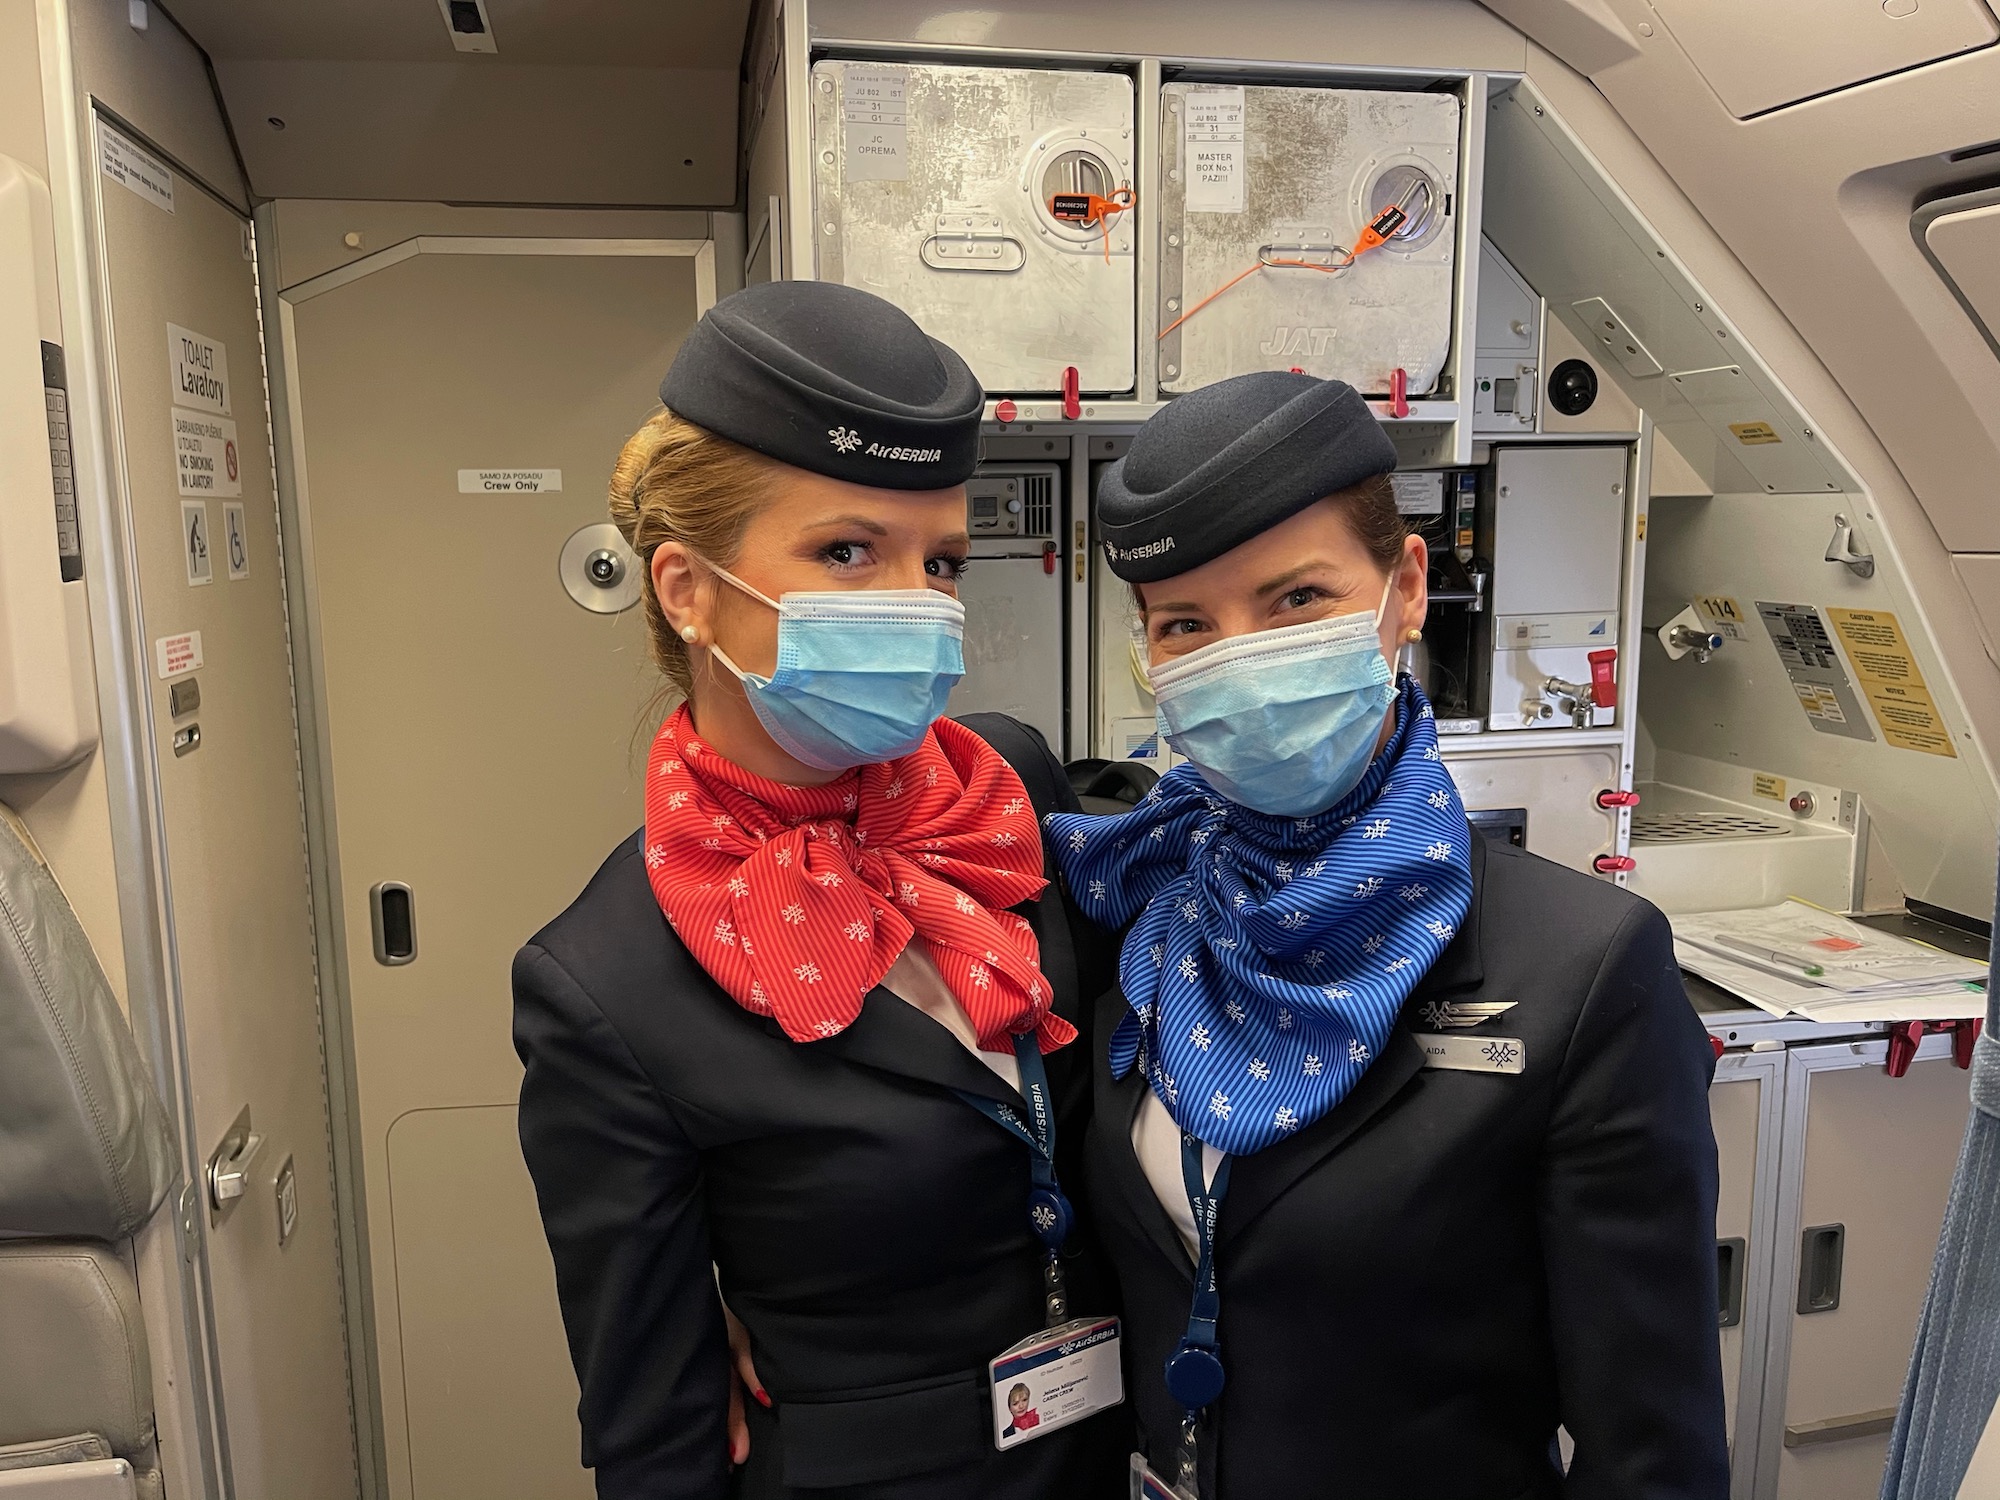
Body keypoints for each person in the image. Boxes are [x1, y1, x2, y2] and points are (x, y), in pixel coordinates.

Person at [1046, 372, 1728, 1498]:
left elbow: (1648, 1447)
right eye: (1184, 625)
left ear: (1404, 589)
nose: (1240, 660)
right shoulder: (1136, 911)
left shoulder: (1580, 969)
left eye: (1295, 600)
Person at [513, 281, 1128, 1499]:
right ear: (685, 590)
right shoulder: (607, 982)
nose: (914, 600)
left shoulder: (1007, 786)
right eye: (847, 551)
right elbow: (654, 1426)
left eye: (939, 560)